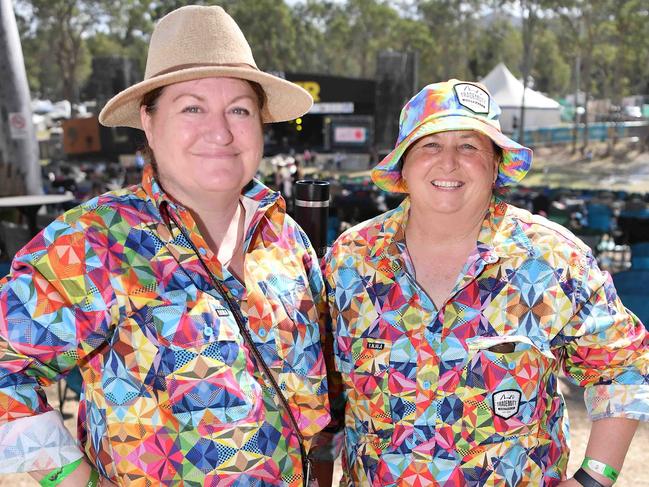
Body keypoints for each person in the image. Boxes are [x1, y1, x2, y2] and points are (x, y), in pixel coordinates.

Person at [0, 5, 331, 486]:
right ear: (148, 122)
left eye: (239, 109)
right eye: (192, 107)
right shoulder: (99, 240)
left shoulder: (287, 239)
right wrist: (70, 477)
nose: (220, 132)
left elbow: (313, 413)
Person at [323, 79, 649, 486]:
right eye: (430, 145)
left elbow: (625, 368)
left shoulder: (552, 259)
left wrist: (595, 478)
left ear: (496, 165)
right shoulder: (350, 261)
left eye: (469, 146)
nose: (448, 162)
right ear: (402, 166)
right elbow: (320, 396)